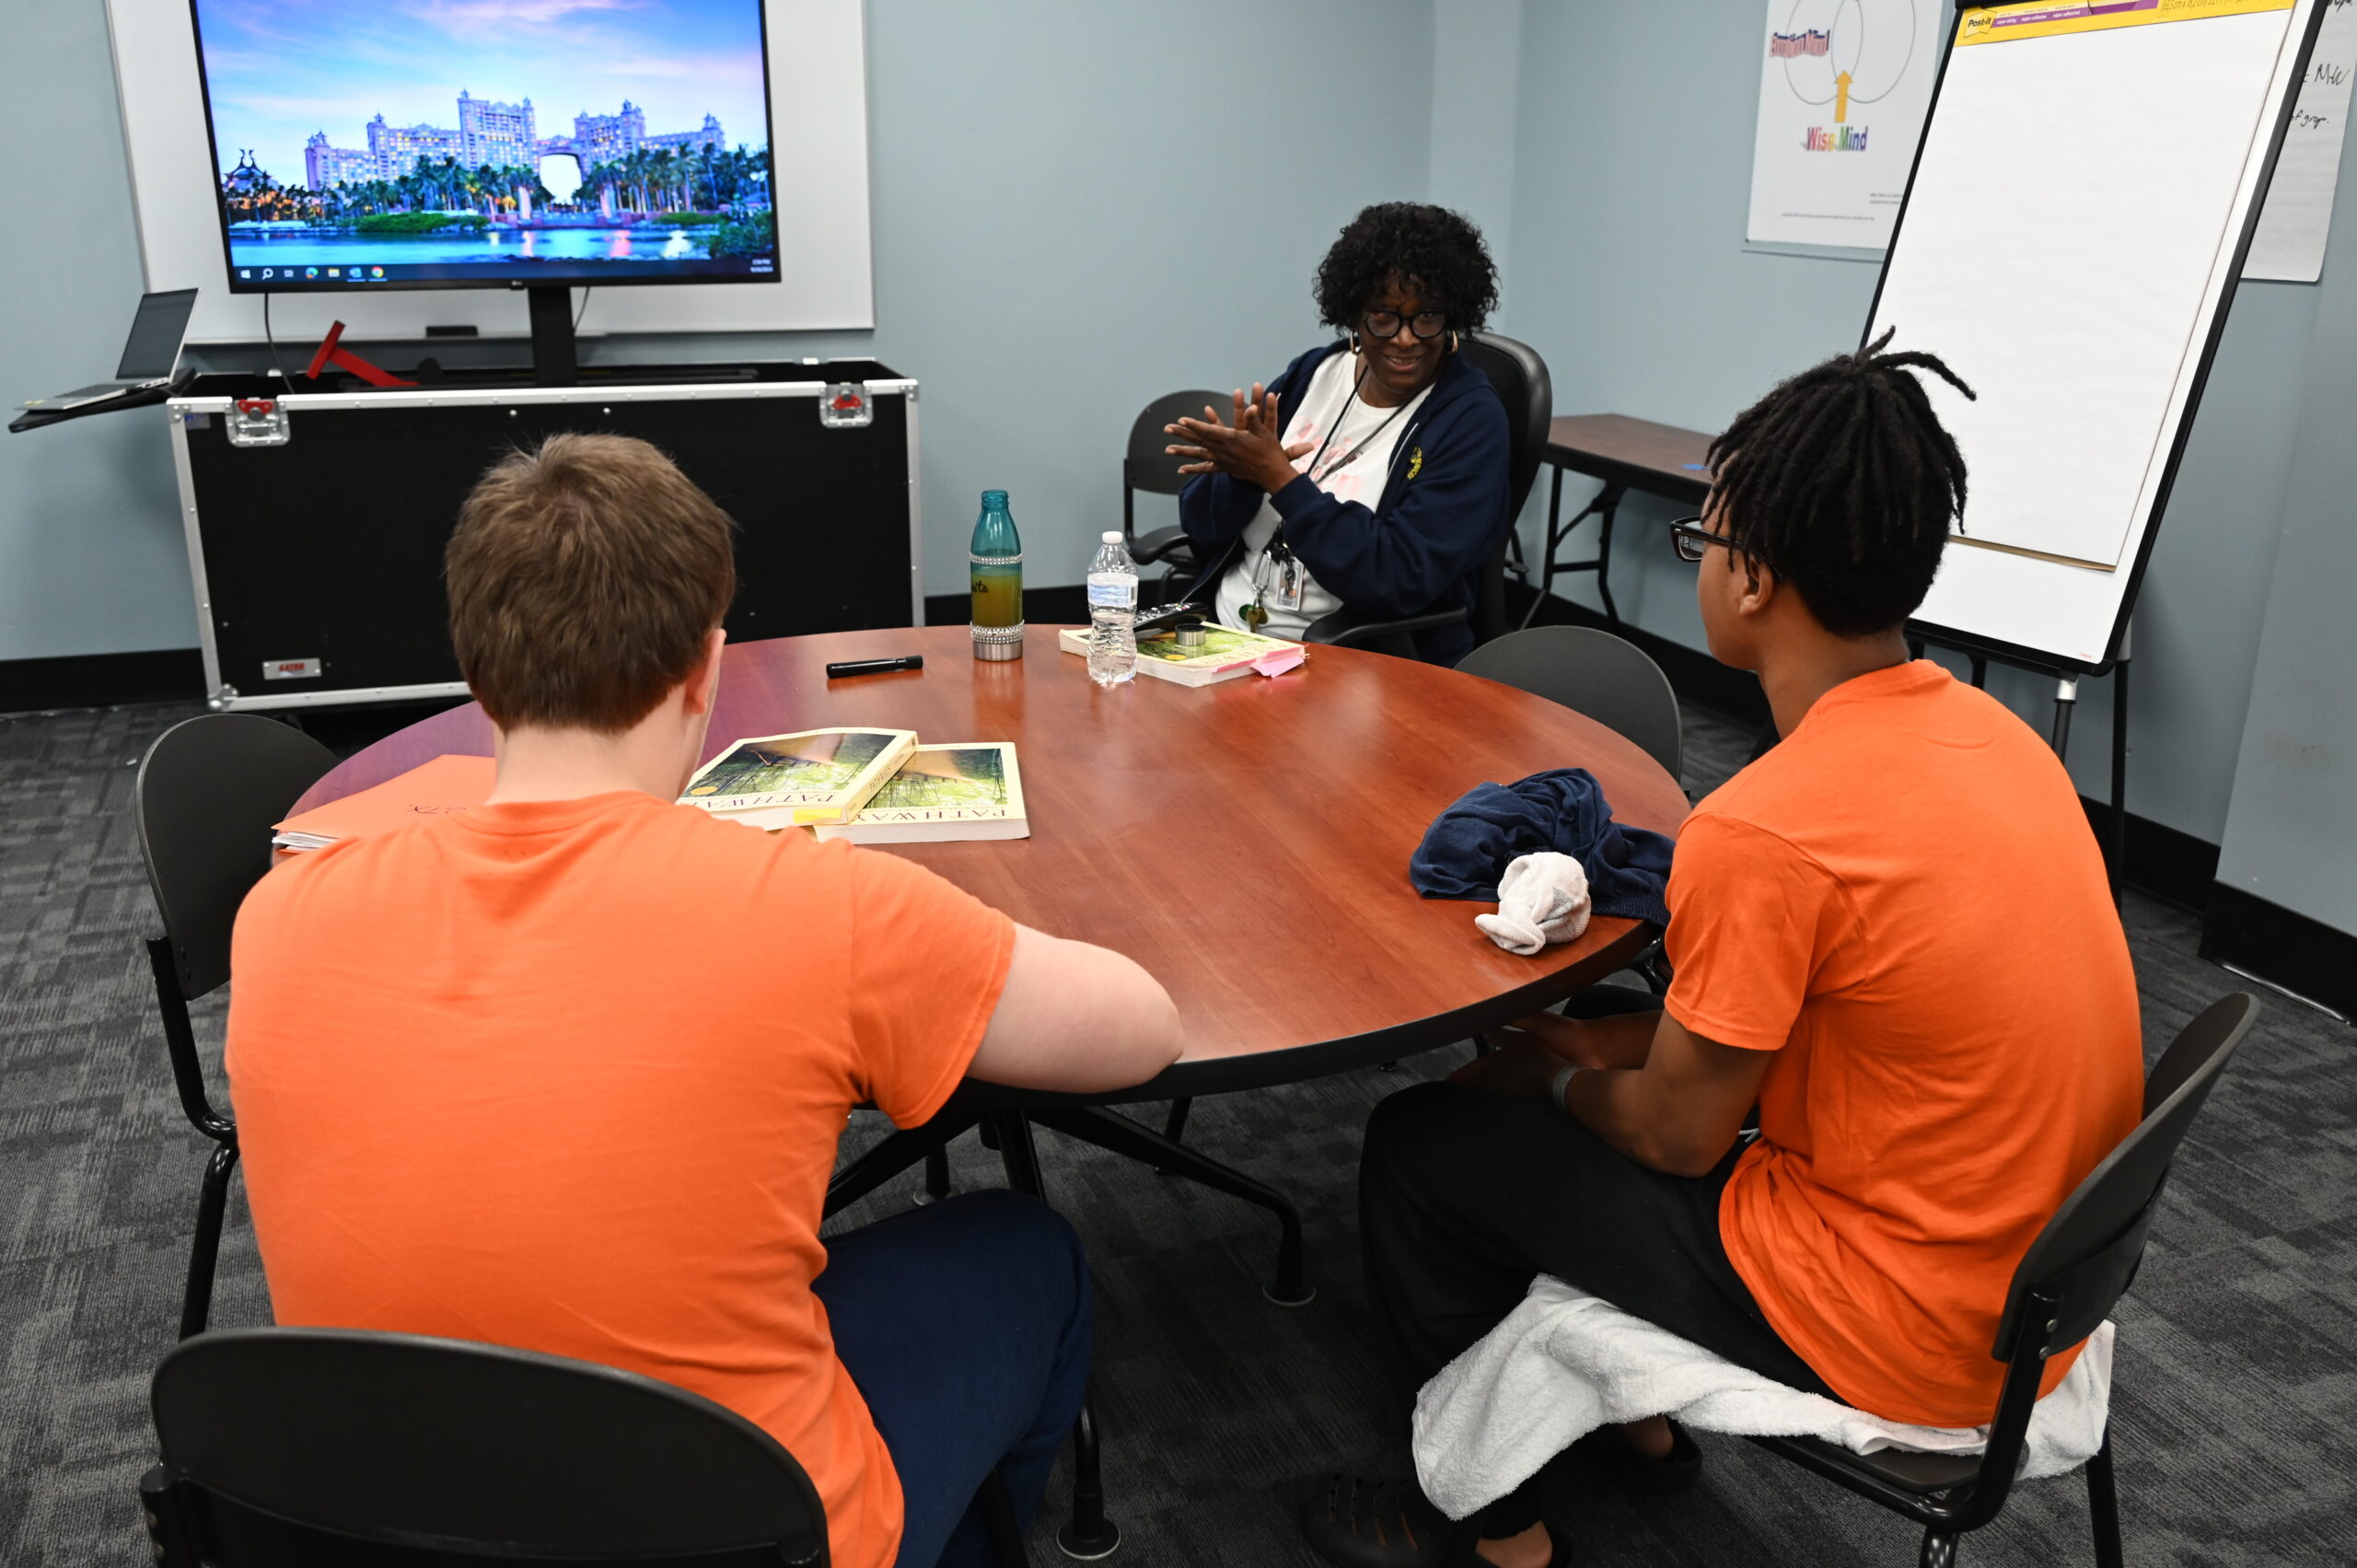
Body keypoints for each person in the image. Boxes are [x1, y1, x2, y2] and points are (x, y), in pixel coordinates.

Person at [226, 434, 1184, 1568]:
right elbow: (1143, 1029)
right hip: (735, 1526)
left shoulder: (278, 914)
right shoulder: (822, 905)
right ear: (705, 668)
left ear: (475, 671)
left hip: (382, 1517)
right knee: (1034, 1252)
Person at [1301, 334, 2144, 1568]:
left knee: (1423, 1143)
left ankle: (1493, 1522)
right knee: (1562, 1084)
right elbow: (1813, 1012)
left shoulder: (1767, 824)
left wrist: (1550, 1072)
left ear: (1751, 579)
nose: (1701, 560)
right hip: (2026, 1273)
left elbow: (1676, 1134)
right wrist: (1589, 1040)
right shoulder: (2002, 740)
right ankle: (1640, 1432)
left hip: (1898, 1320)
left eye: (1704, 536)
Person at [1166, 202, 1512, 664]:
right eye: (1383, 317)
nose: (1405, 338)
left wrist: (1282, 483)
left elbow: (1398, 578)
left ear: (1454, 318)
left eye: (1426, 317)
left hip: (1344, 662)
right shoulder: (1316, 372)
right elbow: (1201, 528)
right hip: (1224, 636)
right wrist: (1239, 475)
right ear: (1354, 315)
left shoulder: (1471, 420)